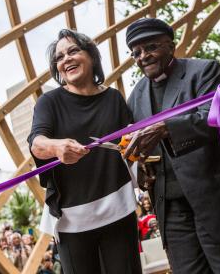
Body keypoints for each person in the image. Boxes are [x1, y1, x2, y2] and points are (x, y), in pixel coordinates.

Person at [123, 17, 220, 273]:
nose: (143, 56)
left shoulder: (204, 71)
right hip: (172, 210)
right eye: (137, 52)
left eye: (151, 47)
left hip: (216, 200)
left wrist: (167, 128)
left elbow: (217, 118)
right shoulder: (135, 96)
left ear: (170, 46)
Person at [28, 29, 141, 273]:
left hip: (118, 210)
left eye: (73, 51)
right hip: (71, 221)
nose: (66, 59)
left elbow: (131, 149)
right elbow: (36, 143)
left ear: (91, 56)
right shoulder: (49, 102)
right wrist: (56, 147)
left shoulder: (113, 98)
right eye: (59, 57)